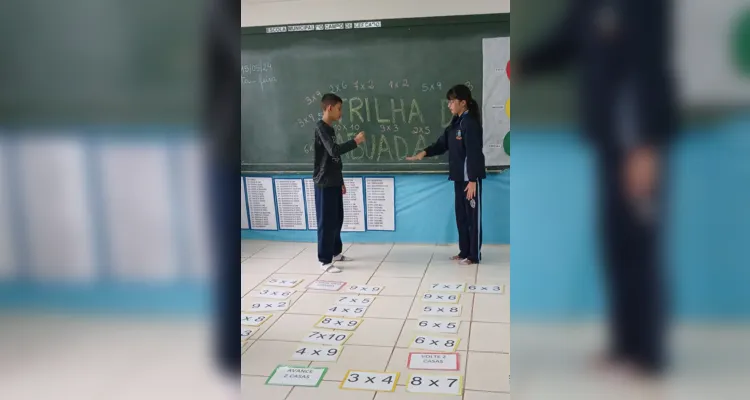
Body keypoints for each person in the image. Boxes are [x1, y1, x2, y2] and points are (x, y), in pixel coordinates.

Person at [518, 0, 676, 377]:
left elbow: (650, 65)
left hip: (637, 144)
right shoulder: (587, 6)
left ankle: (649, 355)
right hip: (608, 143)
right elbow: (565, 43)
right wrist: (523, 62)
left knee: (640, 246)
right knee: (615, 243)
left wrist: (645, 144)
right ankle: (624, 345)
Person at [407, 84, 486, 265]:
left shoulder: (470, 124)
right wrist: (424, 153)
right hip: (459, 178)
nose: (449, 105)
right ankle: (464, 251)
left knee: (473, 219)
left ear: (463, 103)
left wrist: (473, 180)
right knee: (461, 216)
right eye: (448, 102)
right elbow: (442, 144)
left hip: (470, 180)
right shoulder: (455, 124)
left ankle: (474, 255)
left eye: (452, 102)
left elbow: (474, 153)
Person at [314, 93, 365, 273]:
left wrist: (340, 180)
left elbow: (333, 160)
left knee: (337, 219)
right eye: (339, 108)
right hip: (324, 181)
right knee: (326, 221)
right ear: (329, 108)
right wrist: (355, 142)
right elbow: (334, 151)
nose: (341, 112)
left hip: (334, 180)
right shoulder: (321, 128)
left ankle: (336, 252)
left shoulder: (330, 129)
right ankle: (324, 260)